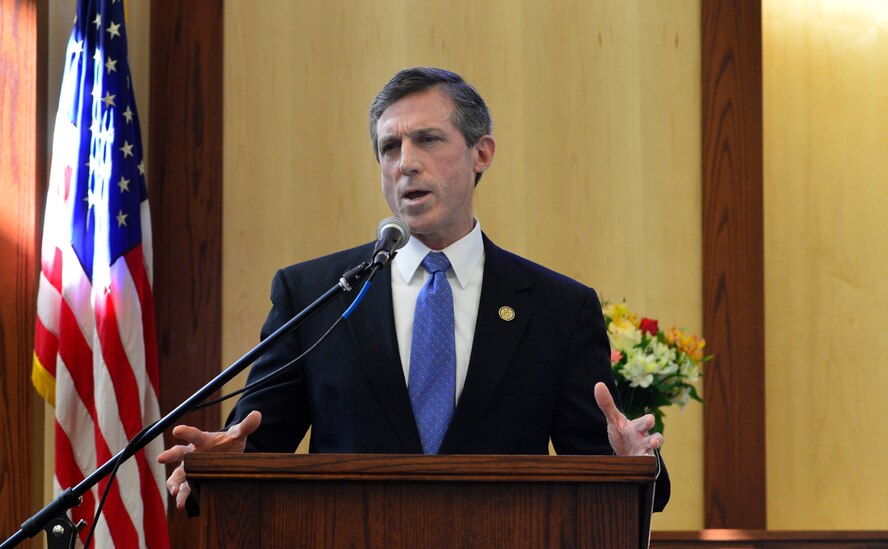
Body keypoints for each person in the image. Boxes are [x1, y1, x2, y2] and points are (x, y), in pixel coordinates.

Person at [158, 67, 670, 512]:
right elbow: (251, 444)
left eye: (428, 140)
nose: (405, 163)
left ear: (481, 153)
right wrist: (223, 465)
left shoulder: (559, 308)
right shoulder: (314, 294)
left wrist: (633, 463)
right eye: (389, 147)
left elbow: (609, 472)